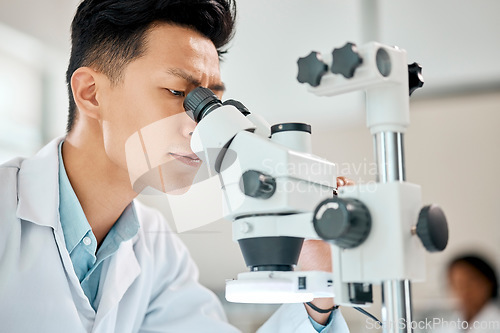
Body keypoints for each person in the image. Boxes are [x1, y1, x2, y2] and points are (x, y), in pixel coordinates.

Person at [0, 1, 349, 332]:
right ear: (91, 93)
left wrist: (319, 285)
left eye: (212, 103)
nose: (201, 128)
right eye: (177, 91)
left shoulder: (156, 248)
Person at [435, 254, 500, 333]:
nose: (463, 291)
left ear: (488, 283)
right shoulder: (451, 324)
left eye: (468, 283)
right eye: (456, 284)